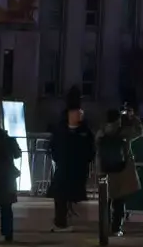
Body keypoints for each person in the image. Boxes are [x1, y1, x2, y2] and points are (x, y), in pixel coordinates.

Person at [47, 93, 96, 234]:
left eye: (80, 113)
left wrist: (86, 160)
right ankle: (60, 221)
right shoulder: (61, 129)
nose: (79, 115)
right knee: (60, 193)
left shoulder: (85, 131)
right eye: (76, 113)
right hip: (63, 166)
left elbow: (91, 149)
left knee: (73, 195)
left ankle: (67, 219)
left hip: (78, 168)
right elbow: (53, 146)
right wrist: (58, 158)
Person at [96, 106, 143, 237]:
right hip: (122, 170)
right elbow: (139, 131)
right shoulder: (124, 132)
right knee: (119, 201)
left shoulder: (101, 133)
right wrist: (132, 117)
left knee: (105, 201)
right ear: (118, 119)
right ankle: (116, 228)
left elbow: (97, 150)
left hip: (105, 170)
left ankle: (104, 226)